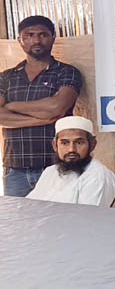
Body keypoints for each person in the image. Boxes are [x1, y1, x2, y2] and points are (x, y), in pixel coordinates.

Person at [0, 16, 83, 197]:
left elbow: (56, 108)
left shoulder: (67, 72)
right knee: (17, 215)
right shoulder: (6, 77)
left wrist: (12, 105)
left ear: (53, 38)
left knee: (58, 214)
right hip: (15, 169)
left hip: (56, 166)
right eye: (29, 35)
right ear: (20, 40)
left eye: (43, 35)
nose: (36, 40)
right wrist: (40, 120)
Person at [26, 116, 115, 206]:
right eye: (65, 143)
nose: (71, 149)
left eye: (79, 143)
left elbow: (89, 215)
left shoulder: (97, 176)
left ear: (92, 145)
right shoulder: (50, 171)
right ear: (55, 146)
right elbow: (29, 205)